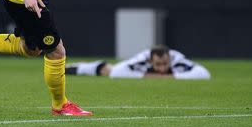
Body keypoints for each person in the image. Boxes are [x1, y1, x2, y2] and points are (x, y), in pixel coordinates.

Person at [65, 44, 211, 80]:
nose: (161, 68)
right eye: (158, 65)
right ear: (150, 61)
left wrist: (170, 77)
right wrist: (147, 76)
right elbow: (117, 72)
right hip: (135, 70)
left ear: (170, 59)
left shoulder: (178, 60)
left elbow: (204, 73)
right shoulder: (141, 59)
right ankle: (77, 68)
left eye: (165, 64)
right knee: (108, 70)